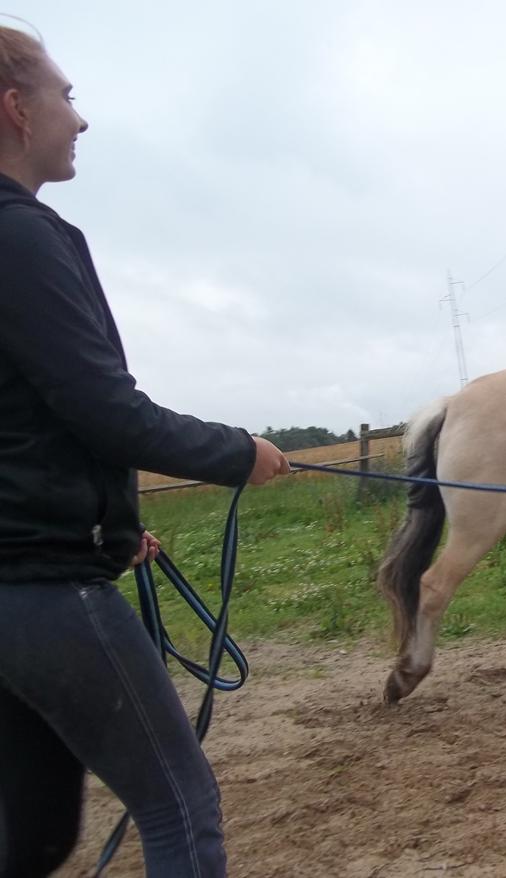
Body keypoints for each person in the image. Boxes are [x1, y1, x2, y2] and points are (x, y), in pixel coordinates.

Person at [0, 25, 289, 877]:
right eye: (66, 96)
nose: (79, 120)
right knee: (178, 806)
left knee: (35, 838)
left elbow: (29, 424)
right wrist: (241, 453)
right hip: (39, 587)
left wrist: (116, 530)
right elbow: (105, 411)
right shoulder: (23, 236)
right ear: (16, 109)